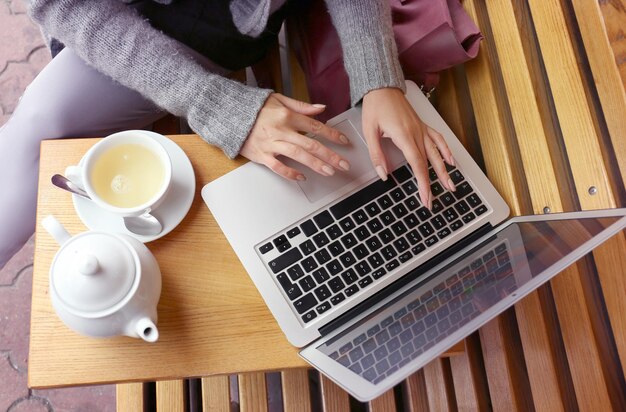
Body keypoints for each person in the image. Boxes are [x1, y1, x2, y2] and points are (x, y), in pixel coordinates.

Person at [0, 0, 455, 270]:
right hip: (126, 25)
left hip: (230, 31)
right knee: (34, 135)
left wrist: (378, 75)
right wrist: (209, 102)